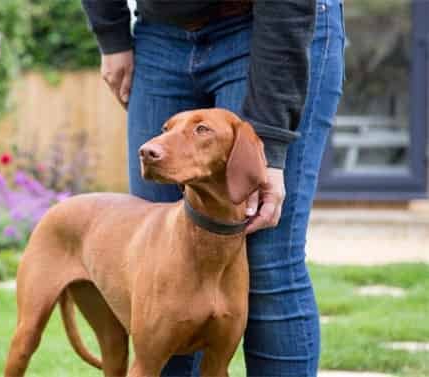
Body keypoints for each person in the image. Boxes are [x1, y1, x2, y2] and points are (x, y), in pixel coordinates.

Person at [81, 0, 345, 376]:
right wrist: (111, 35)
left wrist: (266, 146)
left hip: (273, 28)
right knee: (162, 266)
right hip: (161, 31)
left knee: (268, 258)